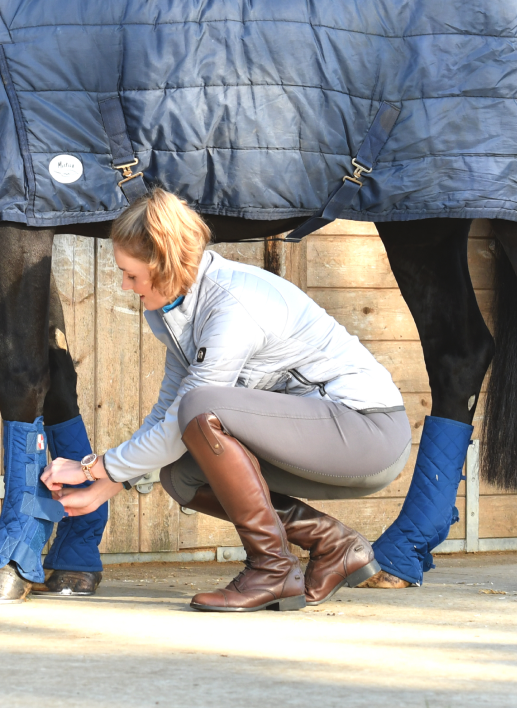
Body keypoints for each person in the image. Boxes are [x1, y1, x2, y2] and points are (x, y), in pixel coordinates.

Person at [42, 188, 411, 613]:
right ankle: (332, 544)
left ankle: (271, 568)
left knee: (200, 410)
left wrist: (95, 465)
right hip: (324, 435)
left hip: (366, 432)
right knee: (182, 475)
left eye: (131, 275)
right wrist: (104, 486)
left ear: (165, 265)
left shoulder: (232, 304)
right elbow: (168, 413)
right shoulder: (180, 310)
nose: (126, 286)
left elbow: (194, 408)